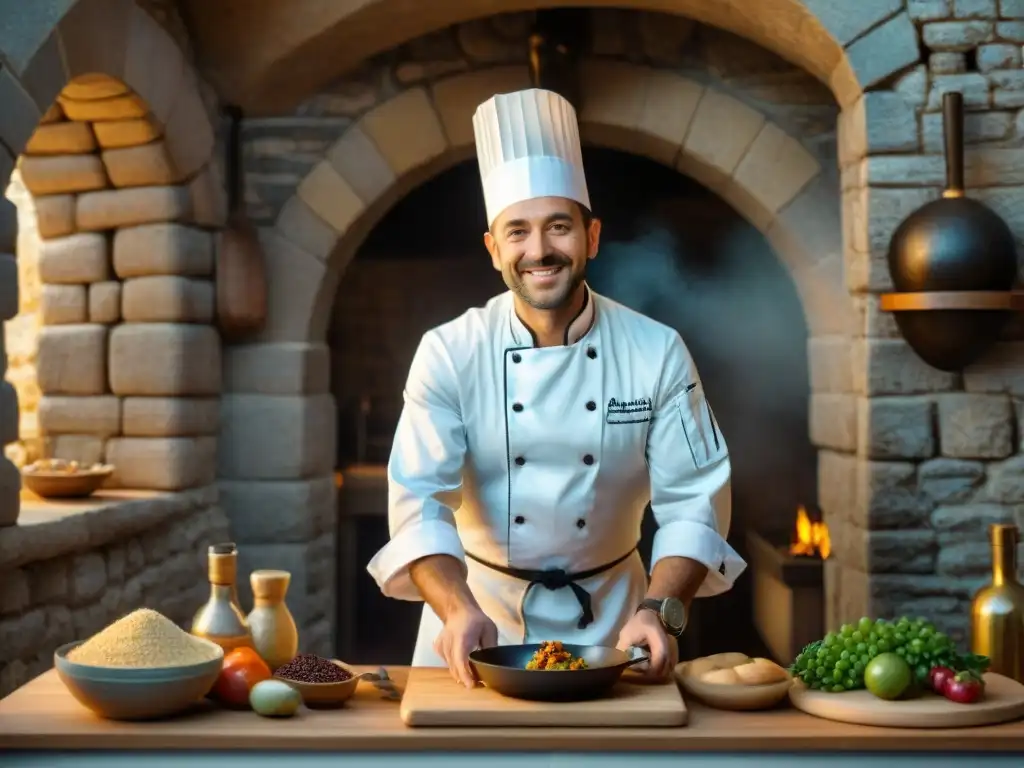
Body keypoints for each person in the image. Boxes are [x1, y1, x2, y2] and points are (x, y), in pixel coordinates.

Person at [367, 88, 745, 688]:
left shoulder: (657, 350)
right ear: (494, 250)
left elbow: (695, 503)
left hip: (618, 633)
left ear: (591, 237)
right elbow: (418, 505)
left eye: (558, 227)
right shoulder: (450, 351)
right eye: (517, 232)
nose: (539, 250)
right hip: (475, 629)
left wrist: (660, 611)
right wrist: (455, 608)